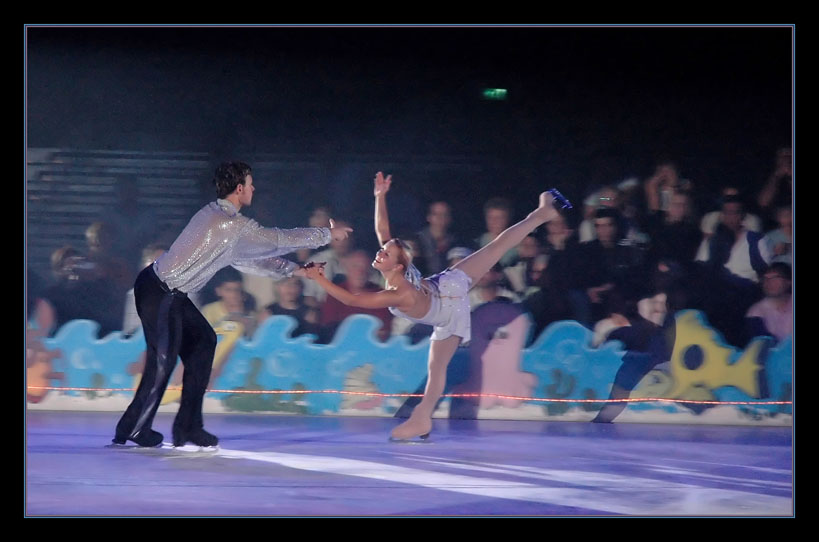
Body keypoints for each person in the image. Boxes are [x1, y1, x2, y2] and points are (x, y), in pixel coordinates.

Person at [303, 172, 561, 441]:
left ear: (398, 266)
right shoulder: (398, 272)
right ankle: (541, 214)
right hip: (445, 287)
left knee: (437, 368)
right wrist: (379, 197)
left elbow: (353, 300)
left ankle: (542, 215)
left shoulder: (399, 292)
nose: (380, 252)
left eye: (386, 253)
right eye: (383, 251)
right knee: (436, 369)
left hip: (448, 303)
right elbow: (383, 232)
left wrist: (319, 278)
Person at [112, 161, 351, 448]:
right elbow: (276, 240)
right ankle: (135, 428)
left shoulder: (227, 226)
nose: (253, 188)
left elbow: (252, 260)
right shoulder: (228, 223)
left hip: (171, 294)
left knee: (203, 342)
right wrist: (325, 234)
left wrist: (297, 270)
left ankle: (188, 427)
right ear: (239, 189)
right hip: (159, 291)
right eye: (250, 184)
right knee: (163, 361)